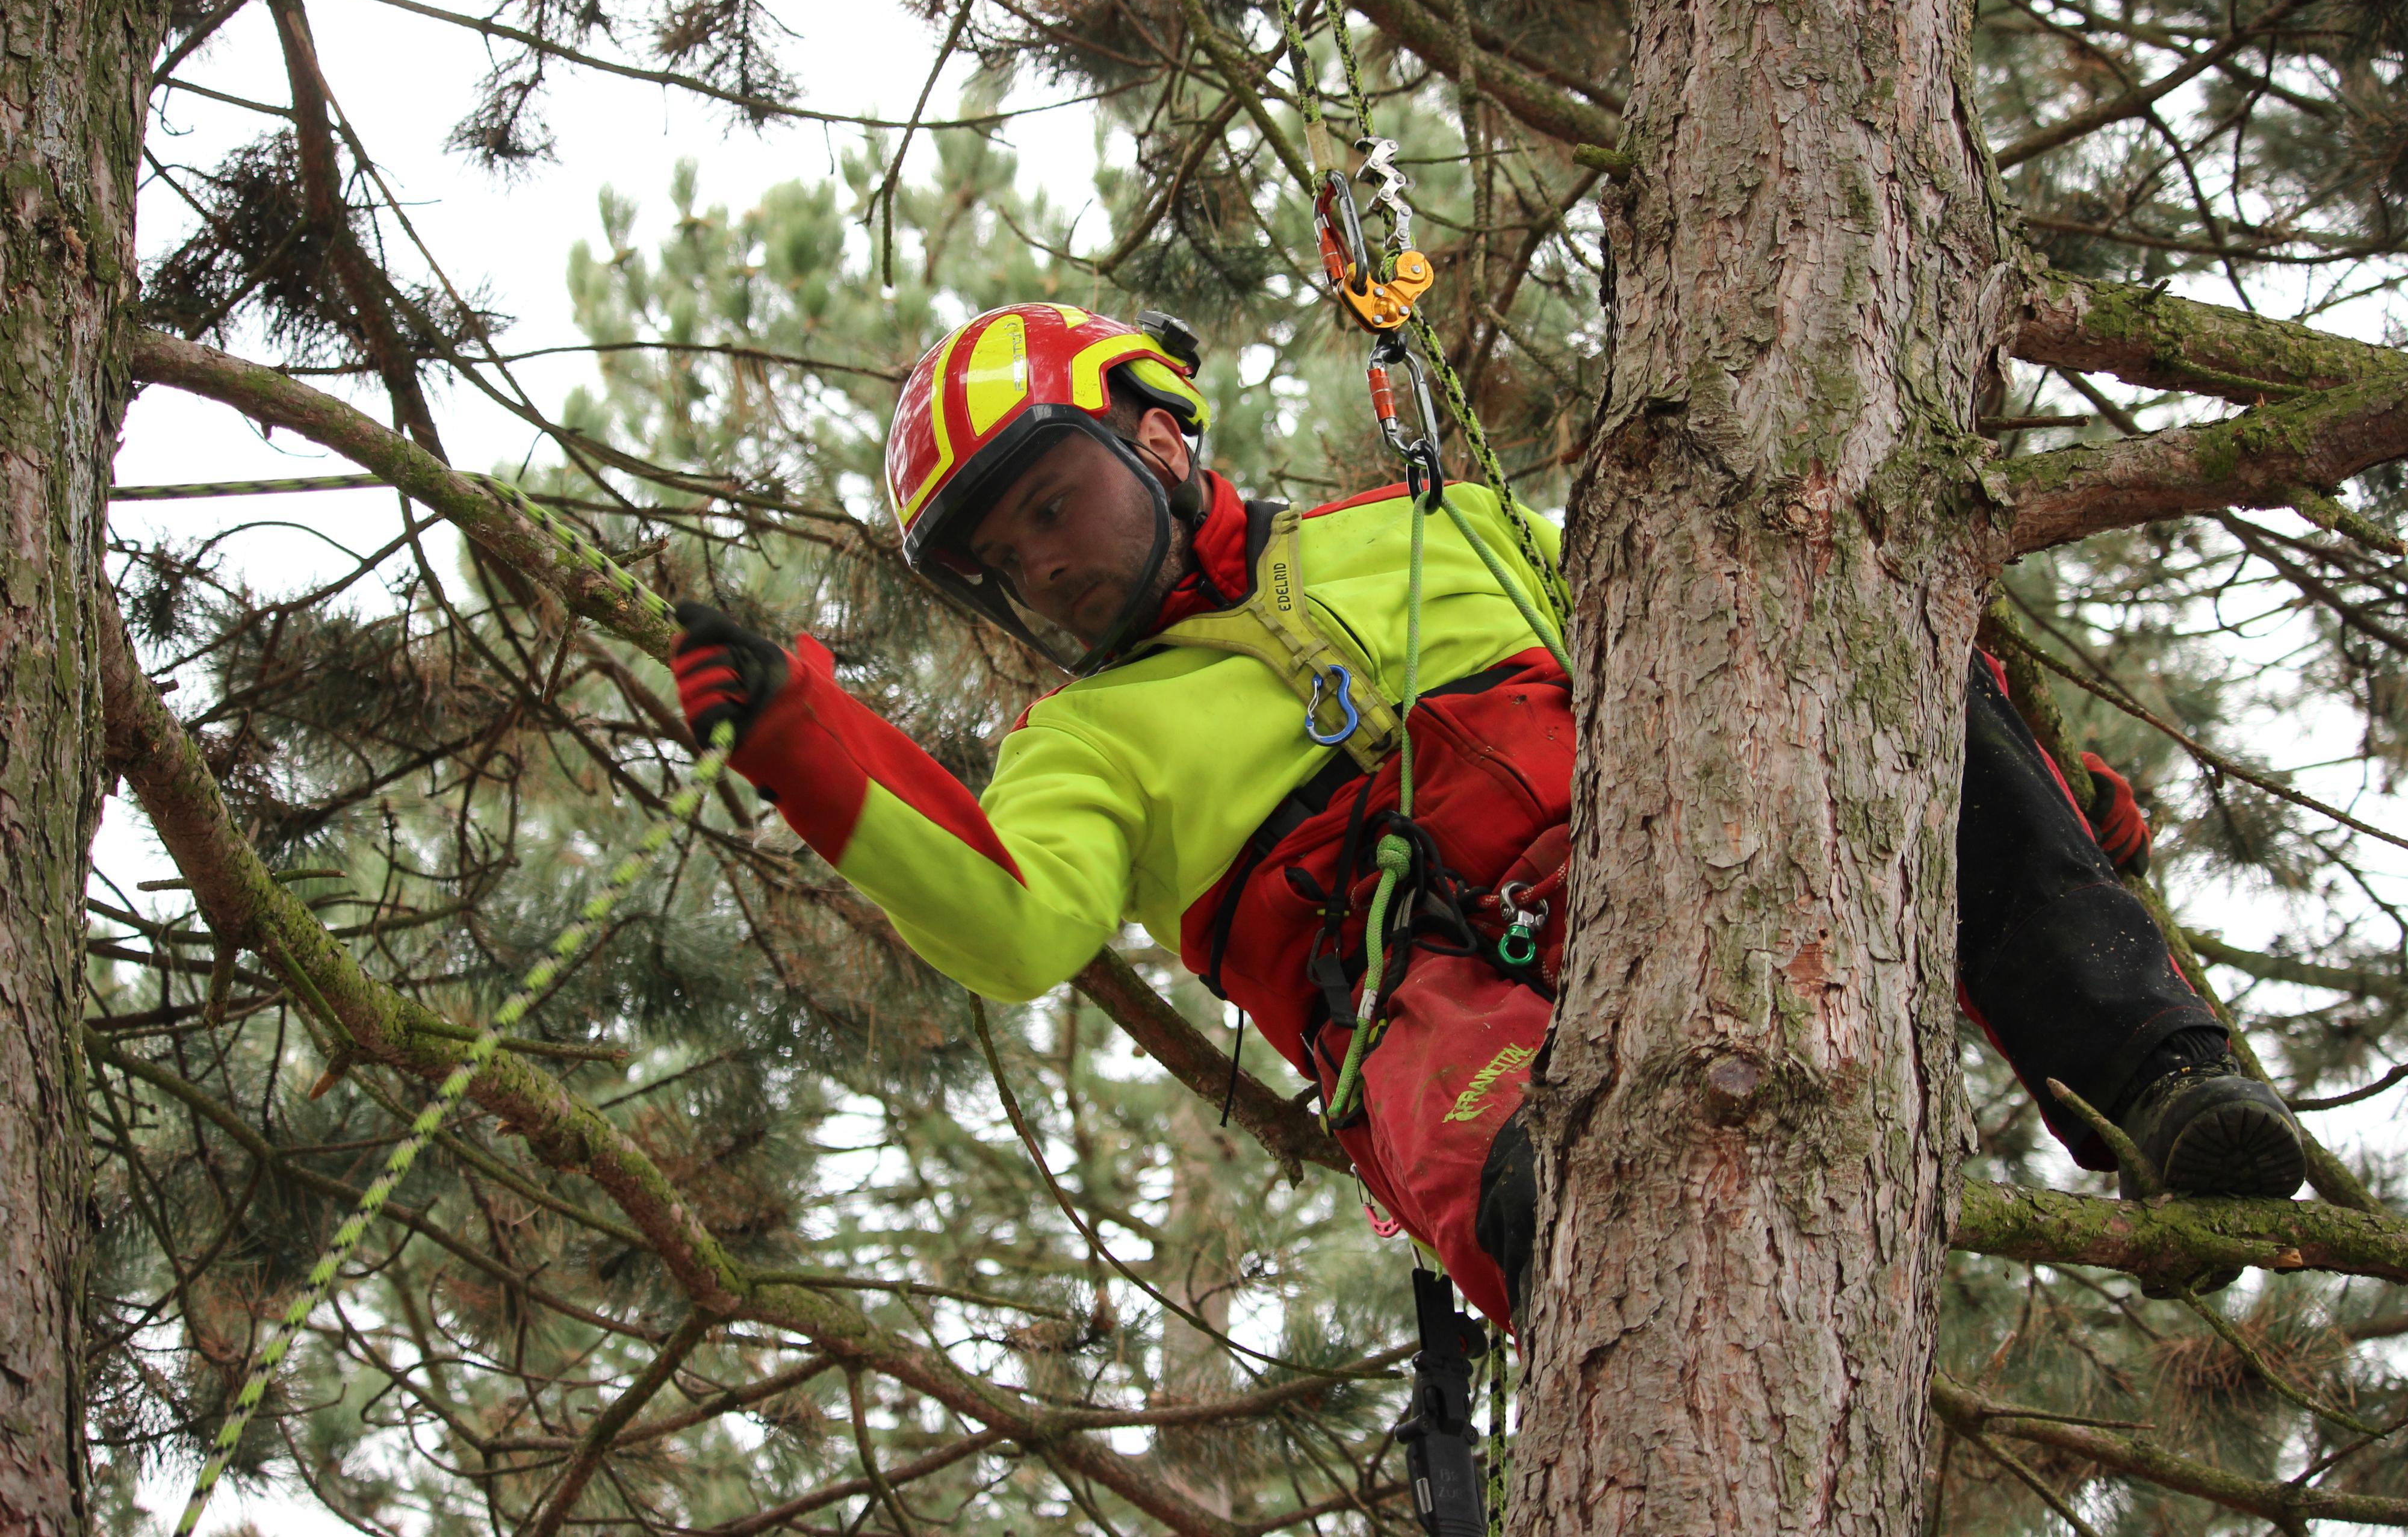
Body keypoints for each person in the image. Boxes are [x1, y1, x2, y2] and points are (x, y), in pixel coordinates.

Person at [671, 302, 2307, 1326]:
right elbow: (1015, 926)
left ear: (1159, 438)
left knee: (1877, 674)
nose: (1044, 563)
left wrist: (2000, 772)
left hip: (1684, 849)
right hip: (1439, 994)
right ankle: (1622, 1321)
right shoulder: (1079, 746)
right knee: (1496, 1137)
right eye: (1006, 558)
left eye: (1056, 502)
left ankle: (2160, 1083)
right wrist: (808, 747)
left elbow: (1713, 617)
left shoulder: (1426, 522)